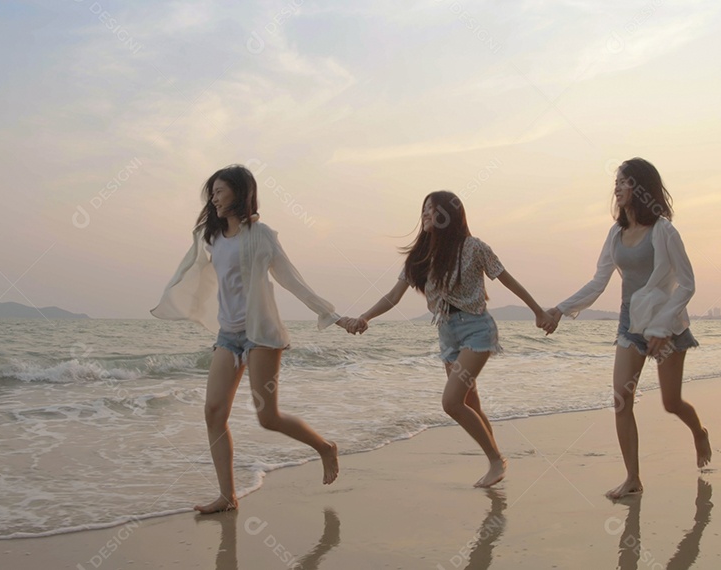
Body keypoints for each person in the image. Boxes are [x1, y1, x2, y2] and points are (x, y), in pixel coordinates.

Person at [152, 164, 352, 513]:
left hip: (262, 335)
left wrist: (333, 316)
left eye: (220, 191)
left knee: (267, 417)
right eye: (211, 192)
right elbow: (189, 271)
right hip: (227, 335)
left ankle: (324, 447)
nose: (213, 197)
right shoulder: (210, 236)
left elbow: (292, 279)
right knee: (213, 412)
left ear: (240, 193)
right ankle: (227, 497)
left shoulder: (261, 236)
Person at [346, 190, 557, 487]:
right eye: (424, 210)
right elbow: (394, 296)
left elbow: (508, 281)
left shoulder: (473, 247)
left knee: (451, 402)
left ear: (449, 215)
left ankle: (497, 461)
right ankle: (496, 460)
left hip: (477, 329)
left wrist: (539, 312)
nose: (426, 215)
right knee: (471, 402)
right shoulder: (420, 256)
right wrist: (365, 317)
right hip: (446, 333)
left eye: (433, 210)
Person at [546, 158, 711, 500]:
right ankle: (633, 478)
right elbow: (598, 282)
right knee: (622, 401)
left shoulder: (664, 231)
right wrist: (560, 309)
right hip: (630, 324)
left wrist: (663, 326)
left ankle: (699, 431)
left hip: (667, 326)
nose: (617, 188)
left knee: (671, 402)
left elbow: (687, 284)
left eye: (625, 182)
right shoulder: (615, 234)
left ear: (642, 187)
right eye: (616, 182)